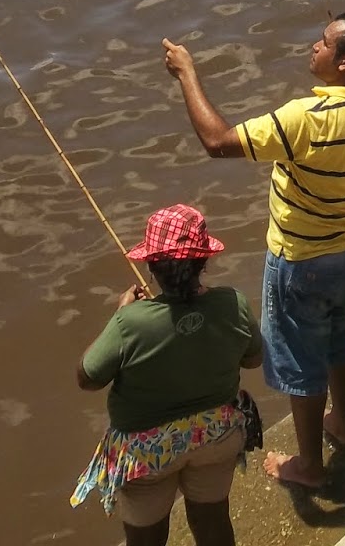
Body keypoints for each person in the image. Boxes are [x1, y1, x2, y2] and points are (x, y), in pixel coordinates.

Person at [162, 13, 345, 490]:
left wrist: (188, 75)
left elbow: (218, 142)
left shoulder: (303, 118)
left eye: (321, 44)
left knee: (302, 360)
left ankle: (309, 466)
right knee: (340, 339)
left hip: (302, 262)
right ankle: (340, 423)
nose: (311, 48)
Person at [72, 205, 263, 546]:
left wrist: (120, 315)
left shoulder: (130, 322)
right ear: (203, 262)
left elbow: (87, 378)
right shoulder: (234, 302)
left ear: (153, 266)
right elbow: (254, 359)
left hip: (146, 452)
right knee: (213, 524)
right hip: (216, 434)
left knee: (146, 539)